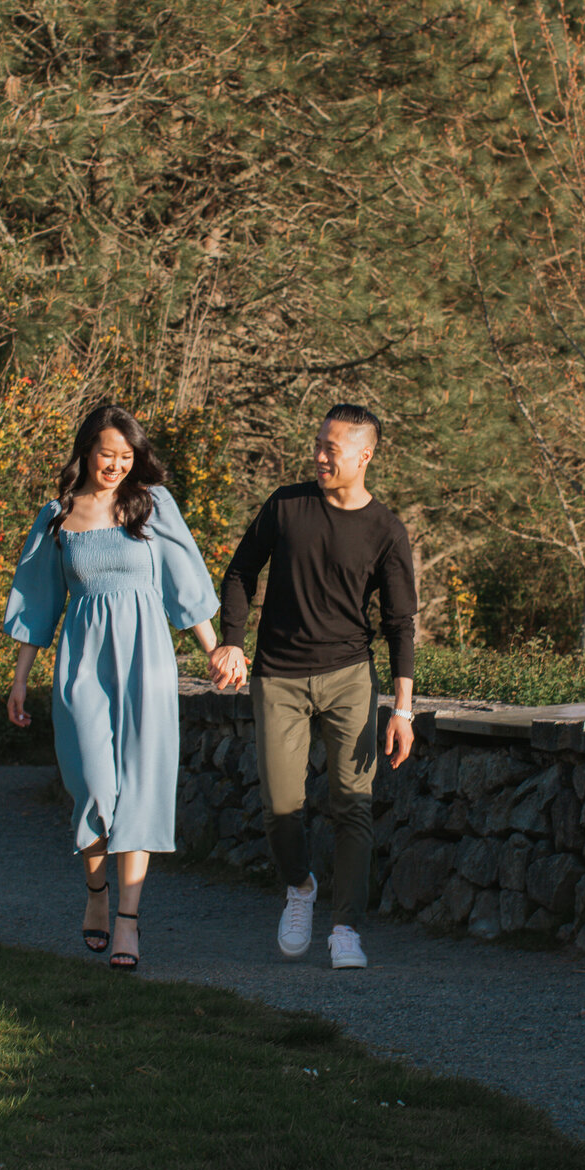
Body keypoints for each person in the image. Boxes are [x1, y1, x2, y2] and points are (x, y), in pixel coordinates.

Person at [4, 404, 238, 970]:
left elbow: (186, 584)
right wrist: (19, 680)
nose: (115, 465)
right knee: (92, 786)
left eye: (126, 456)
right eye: (107, 453)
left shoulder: (152, 506)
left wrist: (215, 650)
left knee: (141, 784)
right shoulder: (57, 516)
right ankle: (96, 896)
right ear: (86, 451)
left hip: (147, 662)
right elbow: (38, 603)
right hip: (83, 665)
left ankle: (128, 923)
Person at [209, 404, 416, 969]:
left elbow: (400, 623)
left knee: (353, 805)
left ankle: (346, 927)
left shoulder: (385, 530)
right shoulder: (286, 505)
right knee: (282, 806)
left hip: (350, 676)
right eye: (318, 444)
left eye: (332, 449)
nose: (319, 456)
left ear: (364, 456)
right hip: (278, 676)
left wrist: (403, 710)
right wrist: (232, 639)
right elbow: (239, 573)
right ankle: (300, 888)